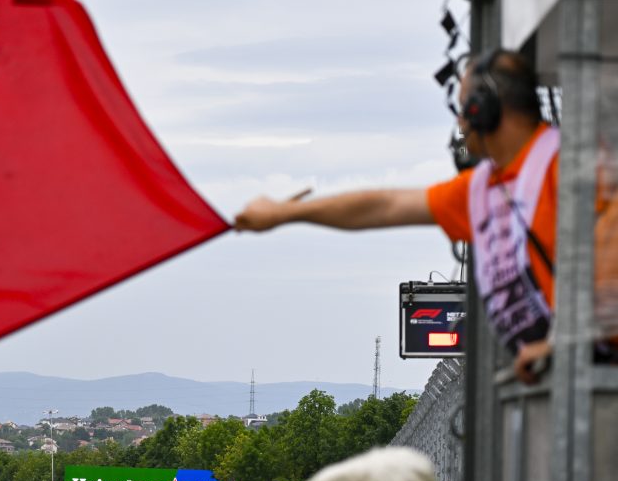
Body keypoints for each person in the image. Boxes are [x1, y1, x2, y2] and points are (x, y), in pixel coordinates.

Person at [234, 49, 557, 384]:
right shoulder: (484, 189)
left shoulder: (563, 166)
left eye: (464, 108)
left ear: (487, 108)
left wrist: (559, 345)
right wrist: (283, 213)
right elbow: (383, 207)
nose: (460, 124)